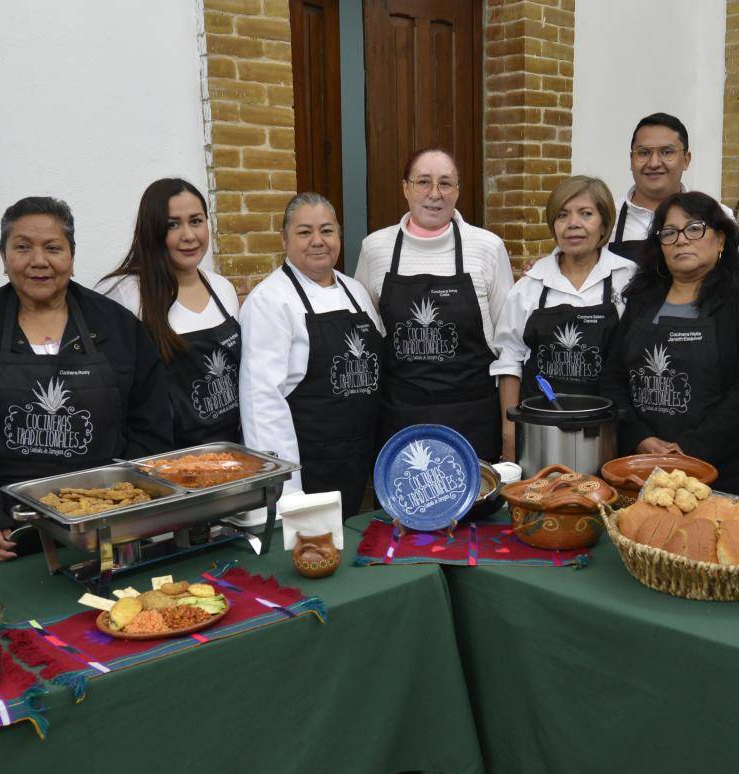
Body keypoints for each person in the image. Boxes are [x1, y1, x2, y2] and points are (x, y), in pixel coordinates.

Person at [0, 197, 174, 561]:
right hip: (7, 528)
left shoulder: (118, 327)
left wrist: (124, 505)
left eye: (53, 248)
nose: (39, 261)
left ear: (71, 256)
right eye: (22, 247)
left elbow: (151, 424)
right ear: (3, 257)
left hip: (103, 524)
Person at [600, 192, 739, 494]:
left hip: (718, 473)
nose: (681, 240)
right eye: (669, 233)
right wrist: (640, 438)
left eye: (694, 229)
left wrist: (690, 451)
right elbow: (612, 378)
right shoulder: (642, 299)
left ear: (720, 239)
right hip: (642, 469)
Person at [353, 147, 515, 462]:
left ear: (457, 190)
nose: (434, 194)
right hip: (400, 417)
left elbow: (507, 344)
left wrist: (508, 436)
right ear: (405, 188)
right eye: (423, 182)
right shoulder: (376, 249)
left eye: (445, 183)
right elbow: (366, 332)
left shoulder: (487, 247)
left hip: (472, 418)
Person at [241, 194, 386, 515]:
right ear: (284, 239)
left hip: (361, 460)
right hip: (309, 469)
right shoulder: (269, 301)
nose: (317, 241)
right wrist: (286, 490)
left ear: (339, 235)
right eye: (304, 232)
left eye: (327, 230)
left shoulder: (355, 291)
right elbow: (262, 403)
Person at [492, 176, 635, 459]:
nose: (573, 224)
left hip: (608, 435)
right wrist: (510, 436)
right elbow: (509, 362)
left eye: (586, 214)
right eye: (562, 215)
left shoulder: (628, 279)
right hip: (540, 435)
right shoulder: (530, 286)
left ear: (604, 224)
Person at [99, 178, 243, 448]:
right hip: (162, 462)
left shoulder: (222, 288)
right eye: (172, 224)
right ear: (150, 230)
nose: (188, 235)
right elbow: (109, 395)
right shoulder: (123, 293)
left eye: (196, 221)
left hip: (228, 454)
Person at [609, 113, 718, 267]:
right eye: (644, 153)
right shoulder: (606, 220)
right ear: (631, 160)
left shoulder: (715, 216)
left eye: (667, 152)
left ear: (686, 160)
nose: (654, 163)